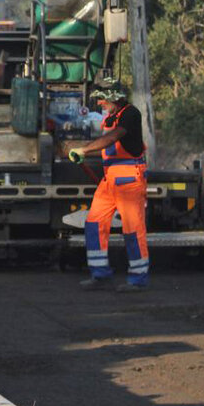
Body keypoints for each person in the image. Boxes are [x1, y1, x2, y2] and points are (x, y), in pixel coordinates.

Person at [67, 83, 150, 292]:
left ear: (115, 97)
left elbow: (113, 138)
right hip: (109, 180)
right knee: (94, 224)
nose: (100, 103)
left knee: (132, 229)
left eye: (103, 99)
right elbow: (107, 144)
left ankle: (138, 278)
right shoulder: (109, 117)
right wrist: (83, 152)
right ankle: (100, 274)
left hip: (129, 180)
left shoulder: (130, 114)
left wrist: (85, 150)